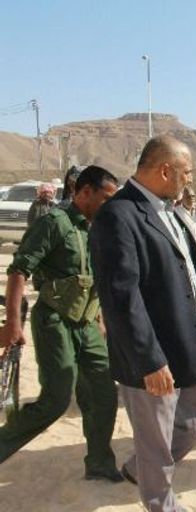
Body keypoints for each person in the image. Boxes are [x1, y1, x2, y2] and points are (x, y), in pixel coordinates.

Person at [90, 136, 196, 511]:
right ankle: (161, 503)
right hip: (152, 353)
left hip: (185, 342)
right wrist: (149, 361)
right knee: (156, 441)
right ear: (166, 171)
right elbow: (121, 297)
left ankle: (141, 467)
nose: (190, 180)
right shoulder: (118, 216)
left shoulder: (169, 209)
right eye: (187, 172)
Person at [0, 166, 122, 481]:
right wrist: (12, 324)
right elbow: (18, 271)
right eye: (106, 198)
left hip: (87, 324)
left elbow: (99, 278)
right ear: (84, 192)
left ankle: (99, 463)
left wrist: (101, 318)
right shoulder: (54, 223)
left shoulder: (99, 228)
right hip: (55, 320)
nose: (111, 205)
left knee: (103, 394)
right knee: (55, 400)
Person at [175, 185, 196, 252]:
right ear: (182, 199)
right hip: (185, 251)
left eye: (193, 196)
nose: (191, 198)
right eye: (188, 196)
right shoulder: (176, 212)